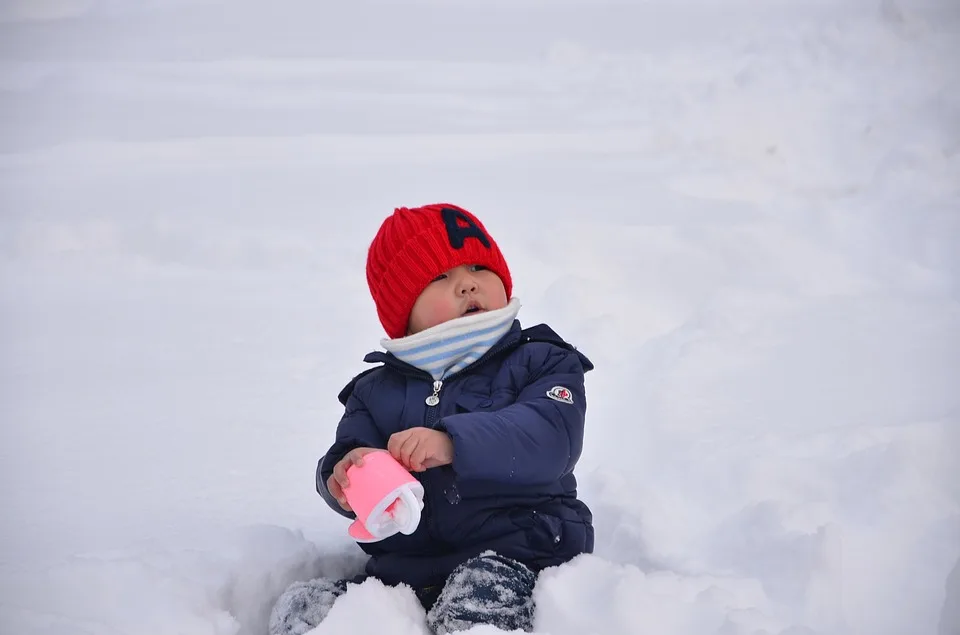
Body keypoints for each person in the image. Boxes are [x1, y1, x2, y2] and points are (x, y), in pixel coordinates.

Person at [269, 203, 594, 635]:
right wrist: (345, 473)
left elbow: (549, 438)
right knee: (308, 608)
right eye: (440, 277)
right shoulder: (374, 390)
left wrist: (452, 441)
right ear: (405, 310)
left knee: (477, 607)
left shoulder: (543, 361)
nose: (467, 284)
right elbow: (349, 452)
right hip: (407, 568)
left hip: (520, 551)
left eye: (479, 266)